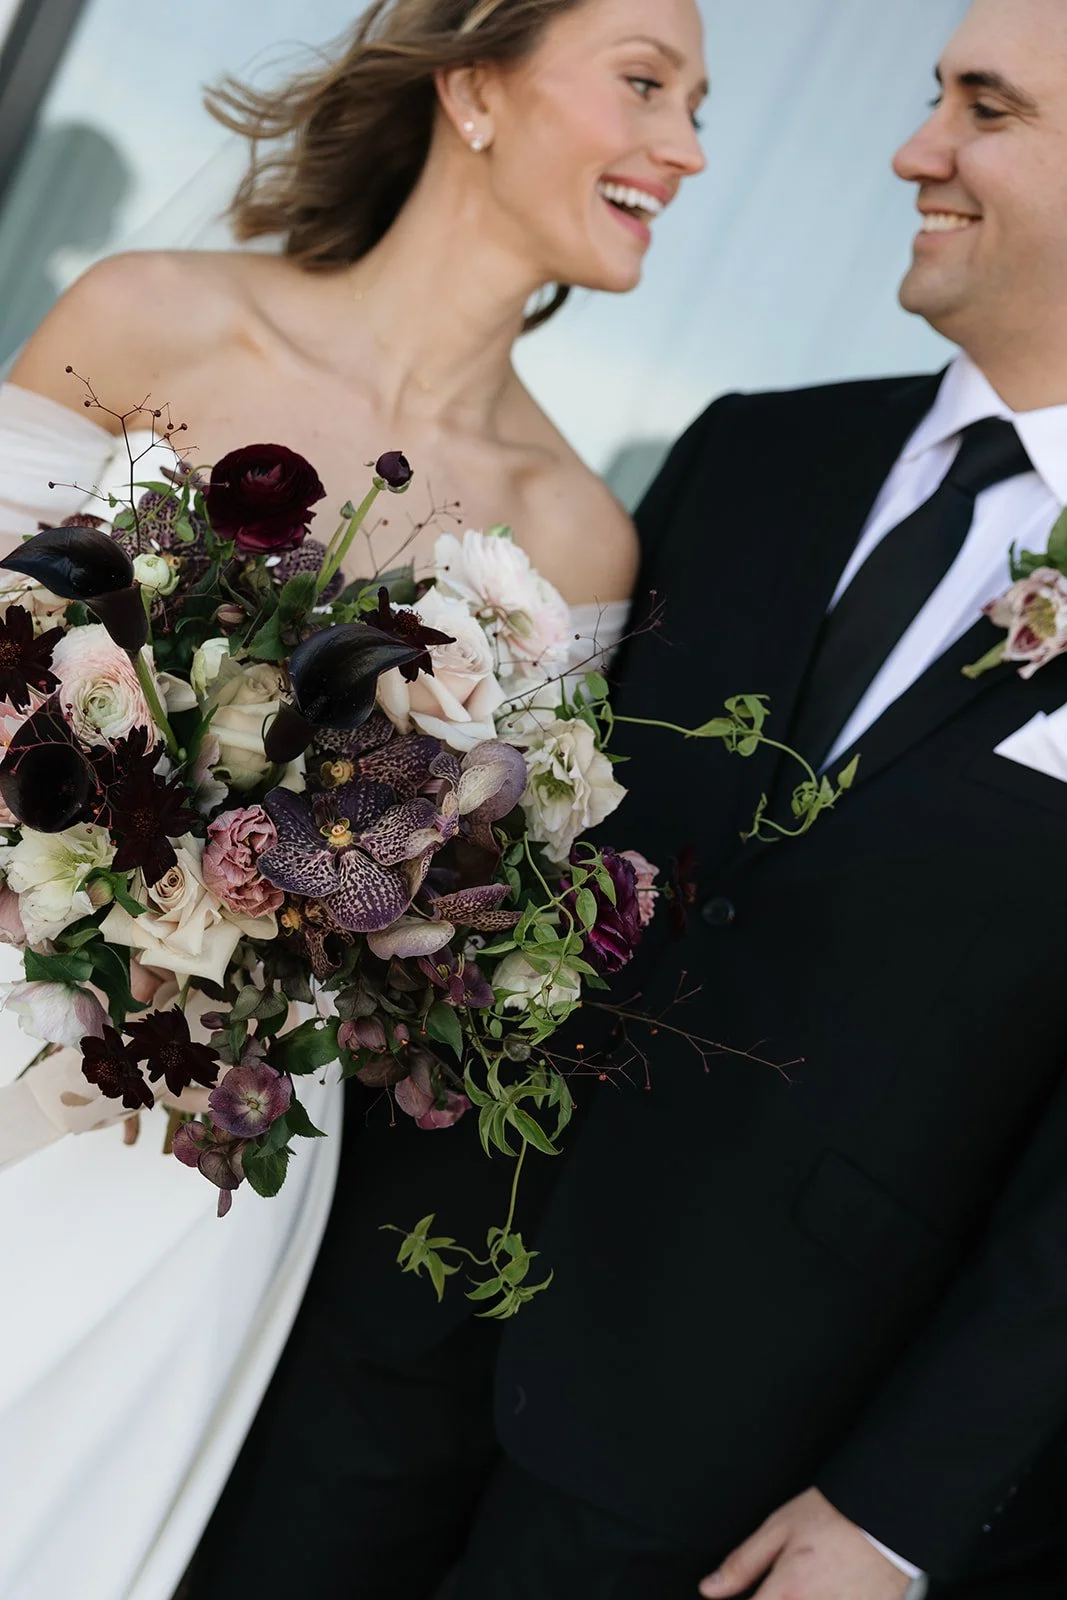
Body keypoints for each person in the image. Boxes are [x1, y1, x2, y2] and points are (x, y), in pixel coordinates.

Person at [0, 2, 707, 1598]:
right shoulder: (151, 316)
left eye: (703, 105)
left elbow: (457, 892)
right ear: (472, 87)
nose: (686, 149)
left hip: (202, 1158)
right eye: (647, 87)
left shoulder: (578, 536)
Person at [441, 0, 1067, 1595]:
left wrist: (898, 1513)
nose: (909, 149)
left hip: (742, 1483)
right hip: (404, 1324)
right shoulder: (752, 452)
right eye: (931, 96)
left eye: (981, 109)